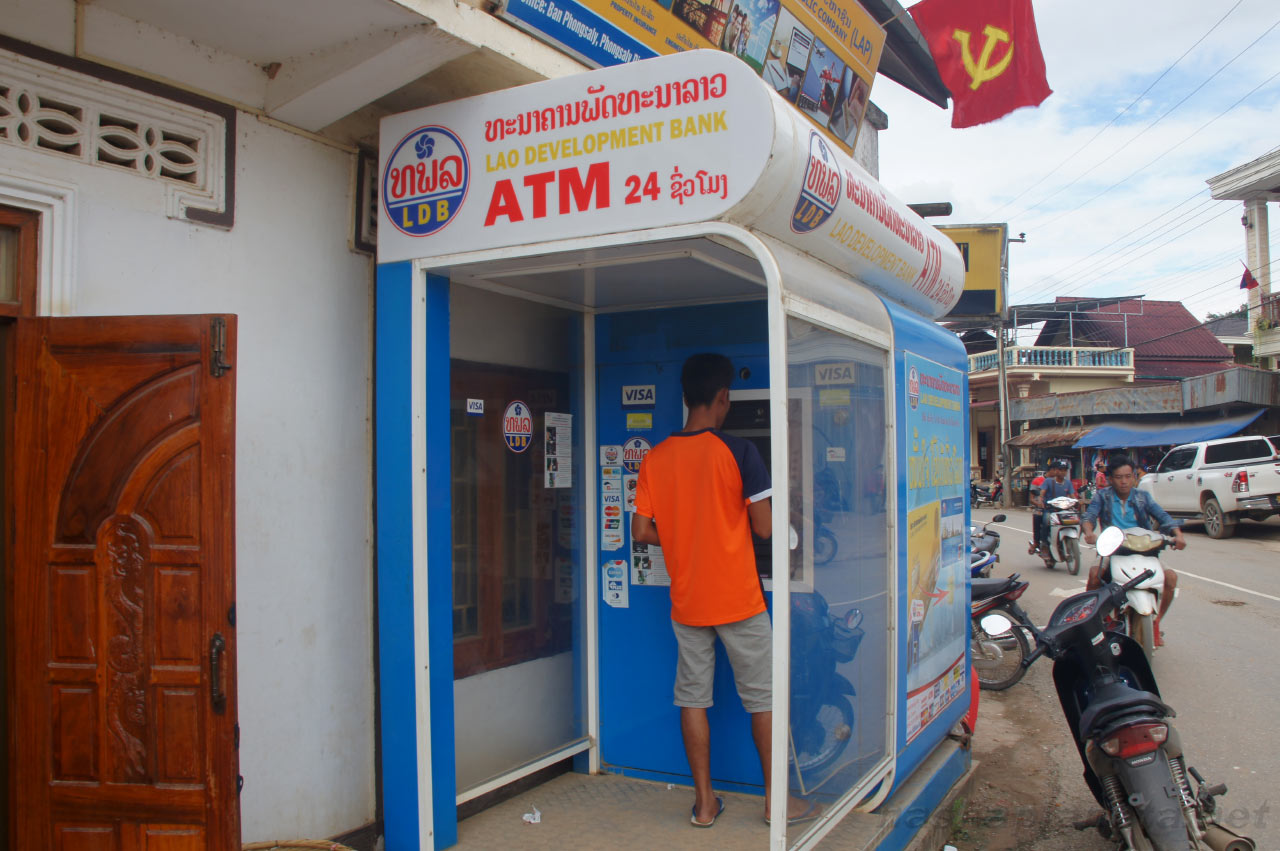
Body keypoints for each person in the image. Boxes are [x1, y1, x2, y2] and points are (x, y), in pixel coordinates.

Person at [632, 353, 818, 829]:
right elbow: (763, 529)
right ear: (722, 398)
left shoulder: (656, 458)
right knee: (763, 698)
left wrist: (683, 534)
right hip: (738, 600)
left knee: (692, 697)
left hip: (688, 601)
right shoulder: (740, 453)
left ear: (683, 397)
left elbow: (642, 530)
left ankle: (704, 804)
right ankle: (777, 803)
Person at [1082, 454, 1184, 645]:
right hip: (1113, 550)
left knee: (1171, 578)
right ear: (1111, 479)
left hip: (1144, 550)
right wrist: (1089, 532)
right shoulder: (1102, 496)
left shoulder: (1143, 497)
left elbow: (1163, 517)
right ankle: (1090, 619)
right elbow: (1089, 516)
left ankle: (1156, 622)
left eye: (1128, 476)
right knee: (1095, 575)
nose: (1124, 481)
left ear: (1134, 477)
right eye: (1119, 477)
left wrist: (1178, 535)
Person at [1032, 460, 1076, 562]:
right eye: (1061, 470)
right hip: (1050, 510)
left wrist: (1077, 502)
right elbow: (1042, 494)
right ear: (1056, 471)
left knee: (1078, 519)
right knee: (1045, 521)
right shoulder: (1048, 481)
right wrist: (1040, 501)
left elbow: (1072, 496)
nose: (1063, 472)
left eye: (1065, 470)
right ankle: (1045, 546)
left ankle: (1073, 542)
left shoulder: (1068, 483)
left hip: (1064, 510)